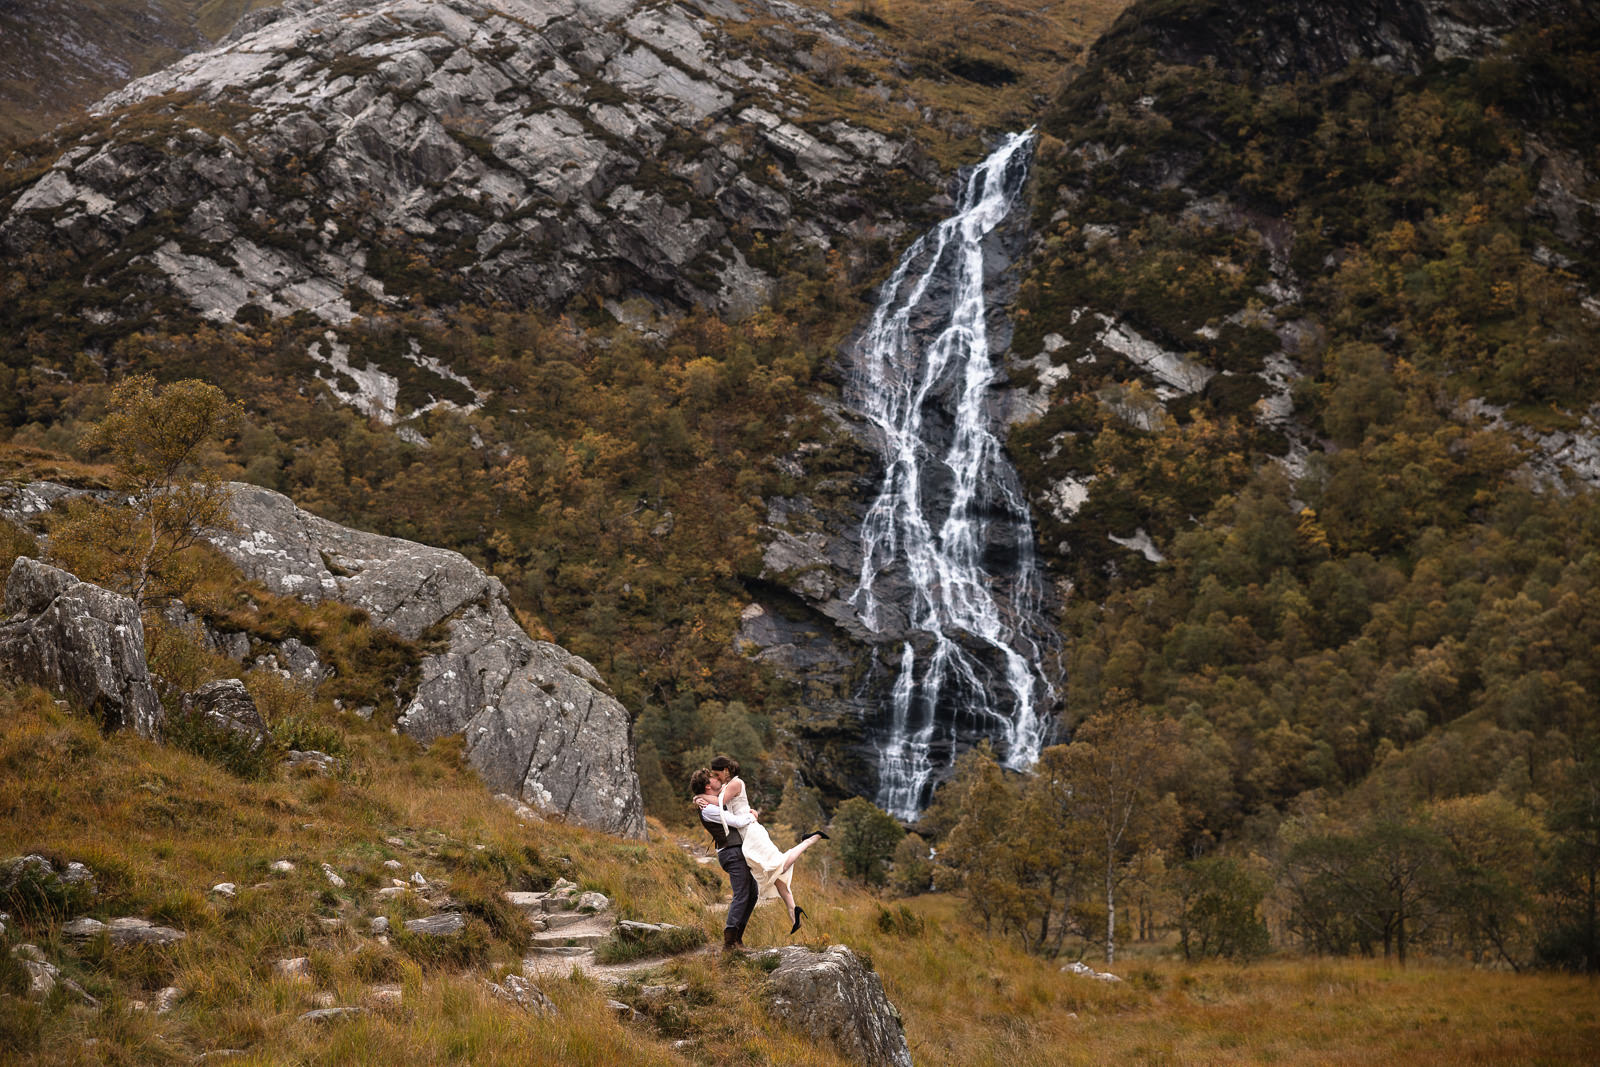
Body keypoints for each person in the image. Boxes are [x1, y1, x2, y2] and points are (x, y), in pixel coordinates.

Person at [697, 754, 826, 936]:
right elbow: (719, 799)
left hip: (751, 831)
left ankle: (809, 840)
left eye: (717, 774)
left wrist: (699, 797)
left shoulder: (735, 782)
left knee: (779, 866)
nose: (716, 778)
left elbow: (720, 802)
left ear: (726, 771)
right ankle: (793, 912)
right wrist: (702, 796)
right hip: (745, 831)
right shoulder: (726, 786)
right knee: (773, 871)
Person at [691, 766, 757, 953]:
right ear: (707, 786)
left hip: (738, 851)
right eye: (711, 778)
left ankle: (738, 939)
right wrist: (752, 816)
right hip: (731, 853)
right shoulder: (708, 810)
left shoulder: (714, 800)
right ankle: (729, 944)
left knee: (752, 894)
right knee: (742, 894)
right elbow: (736, 821)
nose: (716, 778)